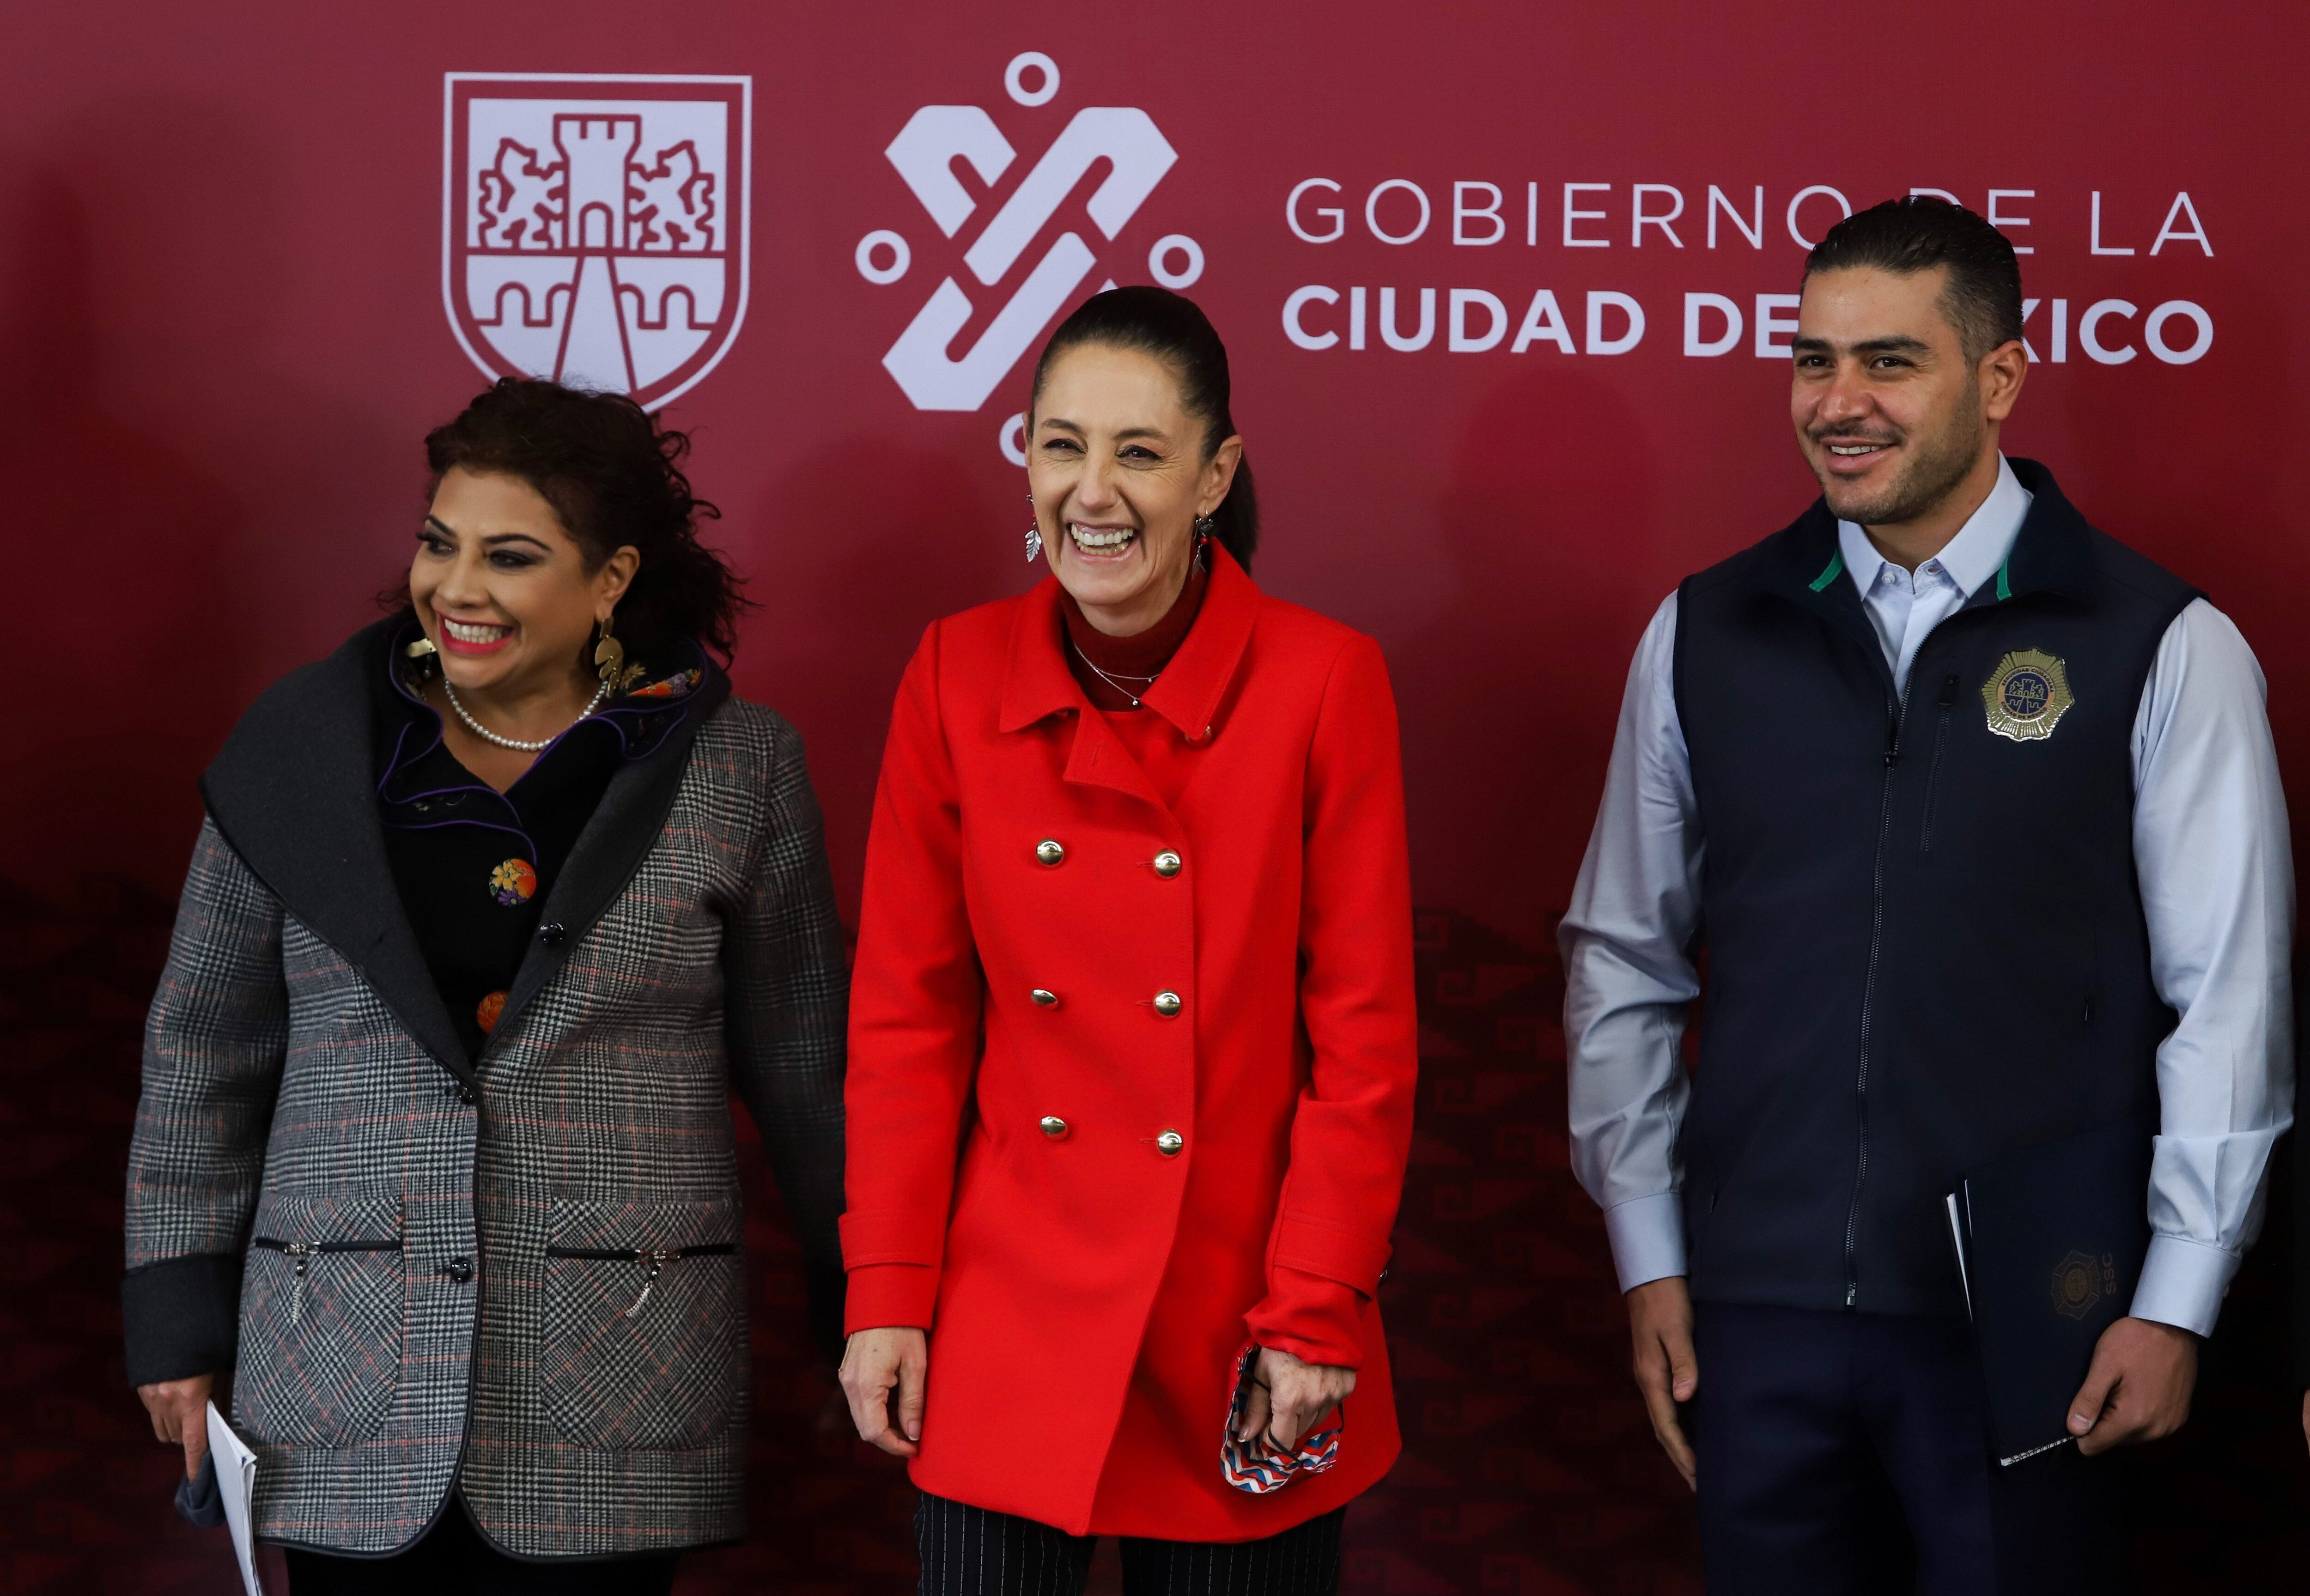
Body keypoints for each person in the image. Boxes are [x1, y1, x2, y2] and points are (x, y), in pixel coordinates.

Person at [1562, 197, 2292, 1592]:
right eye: (1810, 361)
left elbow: (2232, 994)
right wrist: (1651, 1259)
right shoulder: (1705, 632)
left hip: (2042, 1326)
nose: (1838, 403)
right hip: (1756, 1316)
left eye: (1889, 363)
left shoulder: (2164, 644)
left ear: (2000, 380)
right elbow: (1625, 964)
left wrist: (2179, 1298)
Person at [122, 378, 850, 1593]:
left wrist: (866, 1303)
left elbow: (809, 1070)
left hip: (616, 1387)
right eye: (438, 543)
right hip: (335, 1372)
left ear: (611, 580)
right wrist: (178, 1318)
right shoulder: (305, 748)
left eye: (510, 558)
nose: (457, 588)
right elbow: (202, 1049)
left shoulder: (736, 767)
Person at [837, 286, 1417, 1593]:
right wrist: (886, 1288)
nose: (1090, 492)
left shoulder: (1325, 682)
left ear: (1216, 476)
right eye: (1060, 445)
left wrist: (1318, 1301)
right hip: (1006, 1312)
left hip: (1240, 1317)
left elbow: (1363, 1040)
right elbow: (906, 1023)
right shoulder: (952, 670)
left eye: (1139, 453)